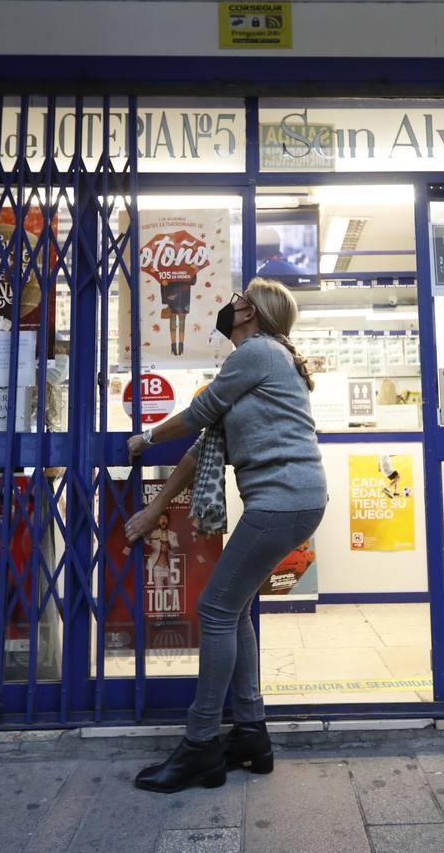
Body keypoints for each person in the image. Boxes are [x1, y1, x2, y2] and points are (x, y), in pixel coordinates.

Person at [125, 277, 326, 793]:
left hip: (281, 500)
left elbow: (197, 415)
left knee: (215, 609)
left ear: (250, 313)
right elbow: (204, 443)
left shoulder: (256, 353)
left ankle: (200, 747)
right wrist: (159, 507)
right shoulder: (265, 361)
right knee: (232, 609)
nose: (229, 305)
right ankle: (251, 736)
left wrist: (145, 437)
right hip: (292, 500)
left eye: (238, 300)